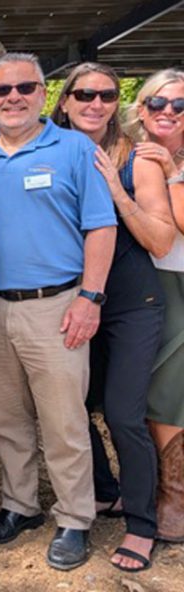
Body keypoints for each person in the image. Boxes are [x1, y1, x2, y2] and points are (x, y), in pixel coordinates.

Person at [0, 53, 117, 571]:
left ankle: (74, 517)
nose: (14, 98)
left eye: (25, 87)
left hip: (58, 306)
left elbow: (101, 227)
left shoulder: (75, 149)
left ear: (43, 94)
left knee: (63, 420)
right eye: (2, 90)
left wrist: (90, 298)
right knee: (6, 417)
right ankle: (20, 504)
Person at [53, 62, 175, 572]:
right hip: (73, 302)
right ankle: (105, 490)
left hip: (130, 306)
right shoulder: (50, 150)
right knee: (71, 407)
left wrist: (116, 190)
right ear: (65, 101)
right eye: (84, 94)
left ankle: (142, 524)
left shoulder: (136, 159)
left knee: (124, 414)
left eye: (106, 95)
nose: (95, 103)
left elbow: (161, 240)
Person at [124, 68, 184, 544]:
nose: (168, 112)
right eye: (158, 103)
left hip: (179, 278)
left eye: (179, 105)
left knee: (169, 389)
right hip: (141, 283)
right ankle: (146, 486)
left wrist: (172, 172)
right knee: (140, 391)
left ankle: (173, 494)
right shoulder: (127, 151)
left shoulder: (167, 164)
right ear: (141, 109)